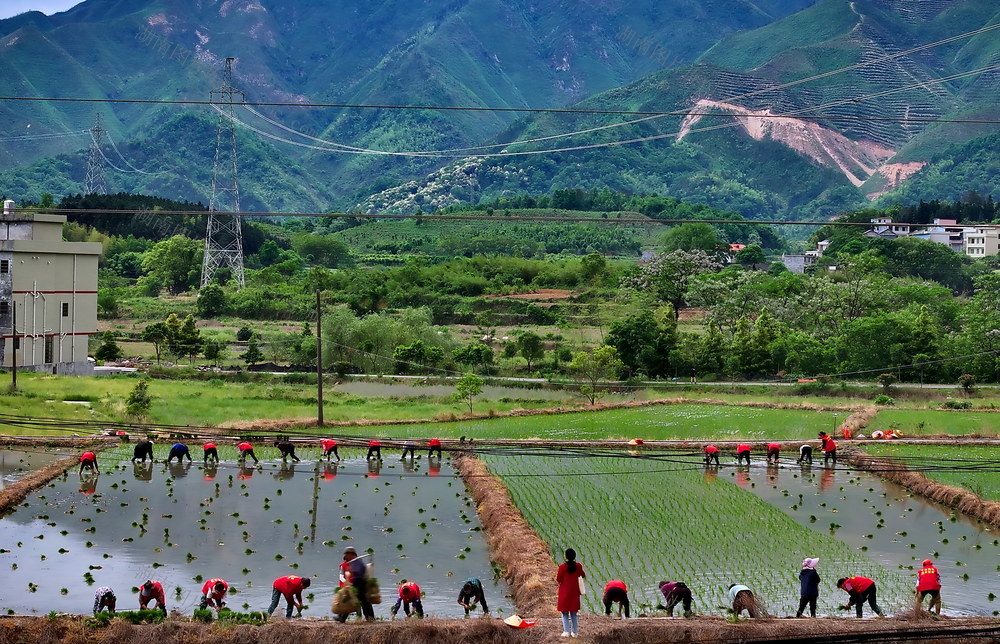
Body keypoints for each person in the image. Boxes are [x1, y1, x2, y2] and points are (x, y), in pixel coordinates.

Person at [337, 547, 375, 622]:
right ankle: (341, 618)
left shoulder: (358, 563)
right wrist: (347, 582)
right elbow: (341, 576)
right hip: (352, 584)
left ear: (351, 554)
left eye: (347, 554)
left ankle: (370, 617)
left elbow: (360, 573)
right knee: (350, 601)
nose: (346, 556)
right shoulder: (345, 565)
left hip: (359, 583)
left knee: (363, 601)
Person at [556, 548, 585, 638]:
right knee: (574, 613)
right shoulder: (578, 566)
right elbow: (583, 575)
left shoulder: (562, 567)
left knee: (564, 613)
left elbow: (558, 579)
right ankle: (575, 632)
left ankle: (566, 631)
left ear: (566, 557)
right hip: (574, 593)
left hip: (564, 592)